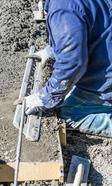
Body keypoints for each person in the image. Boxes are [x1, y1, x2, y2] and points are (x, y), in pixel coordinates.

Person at [24, 0, 112, 137]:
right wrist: (53, 51)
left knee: (70, 112)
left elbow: (72, 63)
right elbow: (91, 21)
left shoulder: (62, 7)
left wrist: (45, 97)